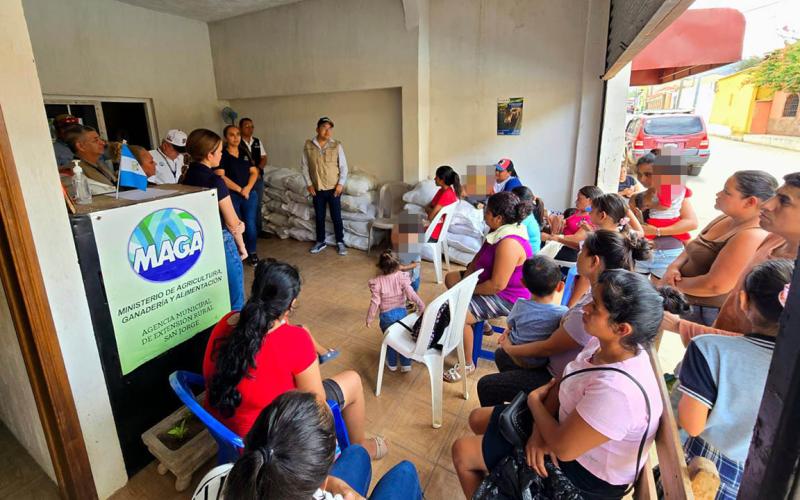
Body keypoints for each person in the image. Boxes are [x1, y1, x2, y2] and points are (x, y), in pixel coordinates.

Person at [453, 270, 686, 499]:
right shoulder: (606, 344)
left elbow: (564, 449)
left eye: (595, 307)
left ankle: (500, 480)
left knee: (462, 452)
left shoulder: (617, 392)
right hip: (563, 428)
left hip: (582, 475)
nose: (585, 308)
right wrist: (536, 433)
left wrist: (535, 403)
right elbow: (565, 378)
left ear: (622, 328)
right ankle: (499, 477)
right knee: (477, 419)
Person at [204, 260, 388, 459]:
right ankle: (360, 446)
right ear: (291, 305)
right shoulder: (295, 340)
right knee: (352, 380)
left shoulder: (227, 321)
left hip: (225, 428)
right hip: (266, 442)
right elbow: (317, 407)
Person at [477, 229, 654, 407]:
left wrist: (510, 348)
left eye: (582, 251)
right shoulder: (597, 294)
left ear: (594, 261)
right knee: (502, 356)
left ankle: (518, 416)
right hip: (557, 368)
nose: (578, 254)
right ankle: (521, 407)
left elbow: (546, 348)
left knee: (487, 384)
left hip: (556, 378)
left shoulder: (592, 311)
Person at [677, 259, 793, 499]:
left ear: (743, 301)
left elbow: (692, 424)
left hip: (702, 472)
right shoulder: (790, 369)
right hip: (761, 484)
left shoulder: (709, 349)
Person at [192, 391, 422, 500]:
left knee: (357, 453)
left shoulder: (217, 478)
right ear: (321, 484)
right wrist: (341, 490)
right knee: (405, 472)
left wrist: (337, 485)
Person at [663, 172, 800, 339]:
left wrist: (679, 325)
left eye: (784, 201)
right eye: (776, 196)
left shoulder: (754, 236)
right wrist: (673, 269)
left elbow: (765, 344)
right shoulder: (775, 238)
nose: (767, 205)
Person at [442, 192, 533, 383]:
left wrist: (466, 290)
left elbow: (497, 285)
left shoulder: (509, 243)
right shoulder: (497, 231)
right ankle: (482, 322)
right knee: (451, 278)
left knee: (457, 314)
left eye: (487, 213)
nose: (484, 216)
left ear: (498, 218)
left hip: (508, 297)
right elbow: (478, 258)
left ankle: (467, 364)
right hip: (489, 284)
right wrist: (465, 278)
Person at [181, 128, 247, 310]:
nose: (221, 154)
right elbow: (232, 222)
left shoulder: (187, 176)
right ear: (210, 155)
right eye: (219, 151)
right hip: (221, 240)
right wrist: (241, 245)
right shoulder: (214, 180)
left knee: (213, 294)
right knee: (235, 297)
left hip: (198, 241)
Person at [631, 154, 698, 280]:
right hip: (640, 254)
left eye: (648, 174)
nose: (642, 179)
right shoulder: (636, 197)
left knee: (661, 294)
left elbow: (692, 223)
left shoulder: (675, 196)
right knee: (636, 292)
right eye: (639, 174)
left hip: (668, 255)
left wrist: (657, 231)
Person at [495, 255, 567, 369]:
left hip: (515, 357)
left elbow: (510, 324)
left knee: (501, 349)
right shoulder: (563, 312)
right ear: (560, 286)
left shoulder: (520, 305)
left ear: (523, 283)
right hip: (541, 362)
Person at [367, 250, 426, 373]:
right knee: (402, 337)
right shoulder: (401, 276)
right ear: (397, 265)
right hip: (401, 313)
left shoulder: (377, 282)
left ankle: (392, 363)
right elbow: (411, 294)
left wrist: (370, 318)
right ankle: (406, 364)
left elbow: (375, 302)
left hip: (386, 316)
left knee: (390, 338)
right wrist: (420, 304)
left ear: (380, 266)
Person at [302, 116, 349, 256]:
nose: (327, 131)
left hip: (334, 188)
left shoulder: (336, 145)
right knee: (319, 217)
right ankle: (320, 241)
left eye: (330, 128)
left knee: (336, 216)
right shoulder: (308, 146)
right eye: (324, 128)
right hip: (317, 189)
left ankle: (340, 242)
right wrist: (309, 185)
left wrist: (340, 185)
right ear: (317, 129)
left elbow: (344, 167)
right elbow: (304, 167)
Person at [216, 125, 260, 265]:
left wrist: (247, 188)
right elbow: (220, 176)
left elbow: (254, 172)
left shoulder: (244, 152)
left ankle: (252, 252)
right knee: (235, 225)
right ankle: (238, 252)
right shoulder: (222, 154)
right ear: (226, 137)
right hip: (231, 196)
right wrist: (239, 189)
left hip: (249, 194)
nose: (236, 137)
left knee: (250, 224)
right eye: (232, 135)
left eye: (238, 134)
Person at [542, 185, 603, 264]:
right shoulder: (578, 212)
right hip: (560, 244)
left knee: (533, 246)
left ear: (590, 200)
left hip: (571, 251)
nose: (576, 201)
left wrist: (550, 237)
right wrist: (553, 219)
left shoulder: (591, 219)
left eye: (579, 198)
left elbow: (577, 240)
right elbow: (560, 227)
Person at [239, 118, 268, 237]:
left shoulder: (256, 141)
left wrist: (258, 169)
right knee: (244, 204)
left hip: (258, 178)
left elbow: (264, 157)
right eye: (247, 126)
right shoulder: (237, 143)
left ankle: (258, 230)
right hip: (243, 179)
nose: (250, 129)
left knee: (257, 204)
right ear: (240, 128)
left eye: (252, 127)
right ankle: (246, 231)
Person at [67, 125, 117, 192]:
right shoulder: (75, 171)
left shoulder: (99, 163)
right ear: (80, 146)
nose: (102, 143)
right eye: (95, 140)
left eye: (100, 139)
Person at [426, 165, 460, 241]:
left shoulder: (447, 195)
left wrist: (429, 210)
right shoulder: (442, 191)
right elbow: (430, 205)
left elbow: (430, 217)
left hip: (432, 232)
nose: (434, 179)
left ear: (442, 180)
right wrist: (430, 210)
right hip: (432, 226)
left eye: (436, 177)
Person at [511, 186, 543, 254]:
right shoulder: (528, 214)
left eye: (511, 199)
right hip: (529, 254)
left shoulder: (525, 218)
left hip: (529, 259)